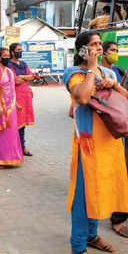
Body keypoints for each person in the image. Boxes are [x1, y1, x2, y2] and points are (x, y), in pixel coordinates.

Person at [63, 31, 128, 254]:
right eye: (93, 44)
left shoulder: (110, 72)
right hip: (88, 145)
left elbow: (123, 101)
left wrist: (114, 85)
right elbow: (81, 97)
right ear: (82, 50)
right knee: (84, 195)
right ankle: (78, 245)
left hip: (110, 142)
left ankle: (92, 235)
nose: (99, 48)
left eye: (100, 44)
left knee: (102, 190)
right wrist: (91, 68)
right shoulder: (74, 73)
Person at [100, 41, 128, 238]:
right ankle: (118, 217)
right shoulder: (99, 73)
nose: (116, 54)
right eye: (113, 50)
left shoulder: (120, 71)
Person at [0, 48, 24, 168]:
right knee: (0, 134)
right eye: (5, 55)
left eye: (8, 55)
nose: (7, 57)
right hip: (0, 107)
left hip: (11, 107)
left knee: (10, 133)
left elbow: (11, 89)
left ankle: (10, 158)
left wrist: (17, 104)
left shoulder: (9, 70)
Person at [8, 43, 35, 156]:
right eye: (18, 50)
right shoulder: (9, 64)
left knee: (23, 123)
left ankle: (22, 146)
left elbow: (32, 76)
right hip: (16, 96)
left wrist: (22, 77)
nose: (21, 51)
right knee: (15, 122)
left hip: (25, 96)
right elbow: (15, 80)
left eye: (21, 50)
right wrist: (25, 77)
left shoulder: (23, 64)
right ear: (12, 52)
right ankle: (15, 147)